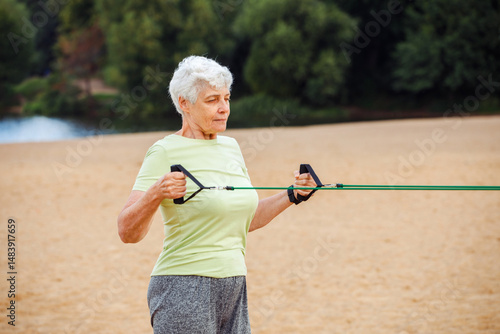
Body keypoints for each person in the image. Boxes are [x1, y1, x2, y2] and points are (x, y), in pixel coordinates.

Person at [117, 55, 317, 334]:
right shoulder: (164, 151)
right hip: (183, 286)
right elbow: (127, 231)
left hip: (234, 284)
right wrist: (155, 193)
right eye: (212, 100)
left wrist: (292, 195)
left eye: (227, 98)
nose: (224, 108)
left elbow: (246, 218)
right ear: (184, 103)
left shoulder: (231, 147)